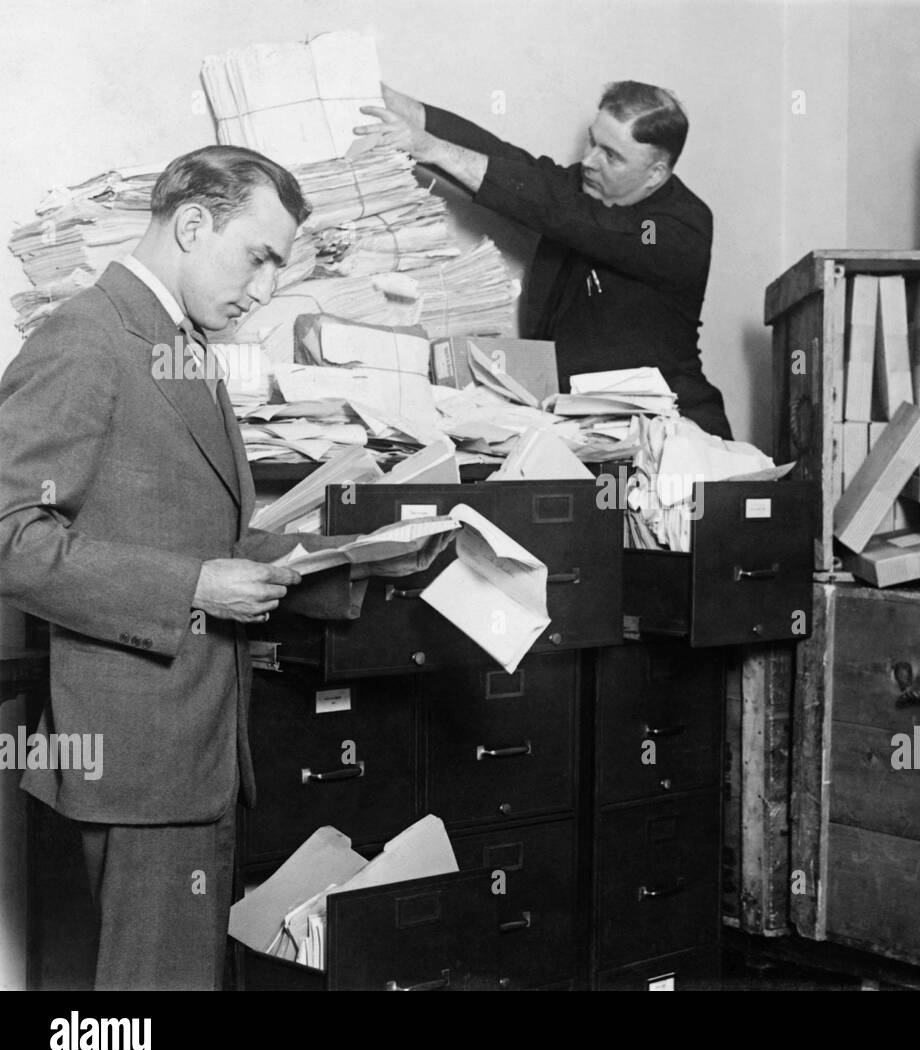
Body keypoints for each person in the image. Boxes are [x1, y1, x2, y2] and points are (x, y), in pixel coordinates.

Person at [0, 145, 434, 990]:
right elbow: (7, 534)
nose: (268, 287)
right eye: (261, 256)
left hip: (190, 759)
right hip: (136, 769)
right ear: (193, 225)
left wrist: (357, 560)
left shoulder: (176, 342)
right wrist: (191, 588)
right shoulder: (86, 338)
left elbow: (196, 533)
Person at [357, 80, 734, 439]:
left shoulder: (678, 228)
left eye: (612, 156)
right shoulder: (587, 191)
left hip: (678, 433)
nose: (588, 161)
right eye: (592, 142)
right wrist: (398, 105)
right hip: (591, 428)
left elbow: (566, 214)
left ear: (655, 174)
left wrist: (431, 149)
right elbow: (513, 164)